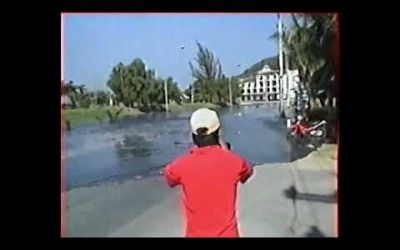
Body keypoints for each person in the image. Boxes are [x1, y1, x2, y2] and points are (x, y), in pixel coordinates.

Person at [164, 108, 254, 237]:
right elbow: (248, 172)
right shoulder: (234, 162)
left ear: (193, 135)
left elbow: (169, 177)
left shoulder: (182, 164)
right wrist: (225, 151)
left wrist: (192, 153)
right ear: (218, 132)